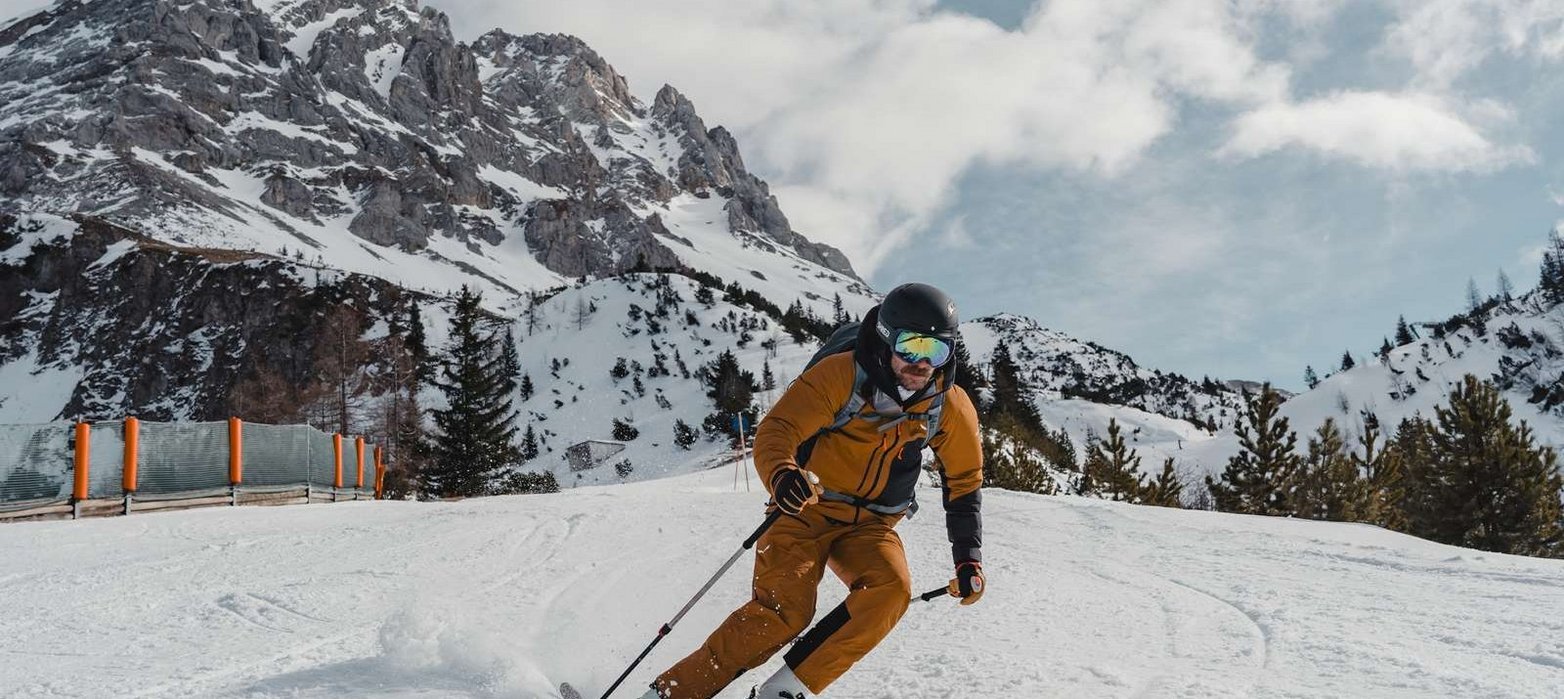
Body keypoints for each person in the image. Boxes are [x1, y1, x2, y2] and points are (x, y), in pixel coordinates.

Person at [641, 282, 986, 699]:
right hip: (805, 509)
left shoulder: (948, 406)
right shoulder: (841, 375)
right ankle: (672, 694)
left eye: (937, 351)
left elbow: (964, 481)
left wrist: (968, 560)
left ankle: (783, 692)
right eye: (911, 346)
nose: (922, 363)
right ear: (885, 339)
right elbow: (779, 430)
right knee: (784, 612)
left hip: (872, 526)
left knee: (890, 590)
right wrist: (783, 474)